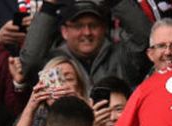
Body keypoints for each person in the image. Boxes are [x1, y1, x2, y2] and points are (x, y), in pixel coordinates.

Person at [20, 0, 151, 87]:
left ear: (104, 28)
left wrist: (115, 1)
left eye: (93, 26)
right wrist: (49, 6)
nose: (87, 32)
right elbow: (30, 62)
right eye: (78, 26)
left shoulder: (122, 57)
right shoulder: (55, 62)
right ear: (64, 31)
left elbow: (143, 38)